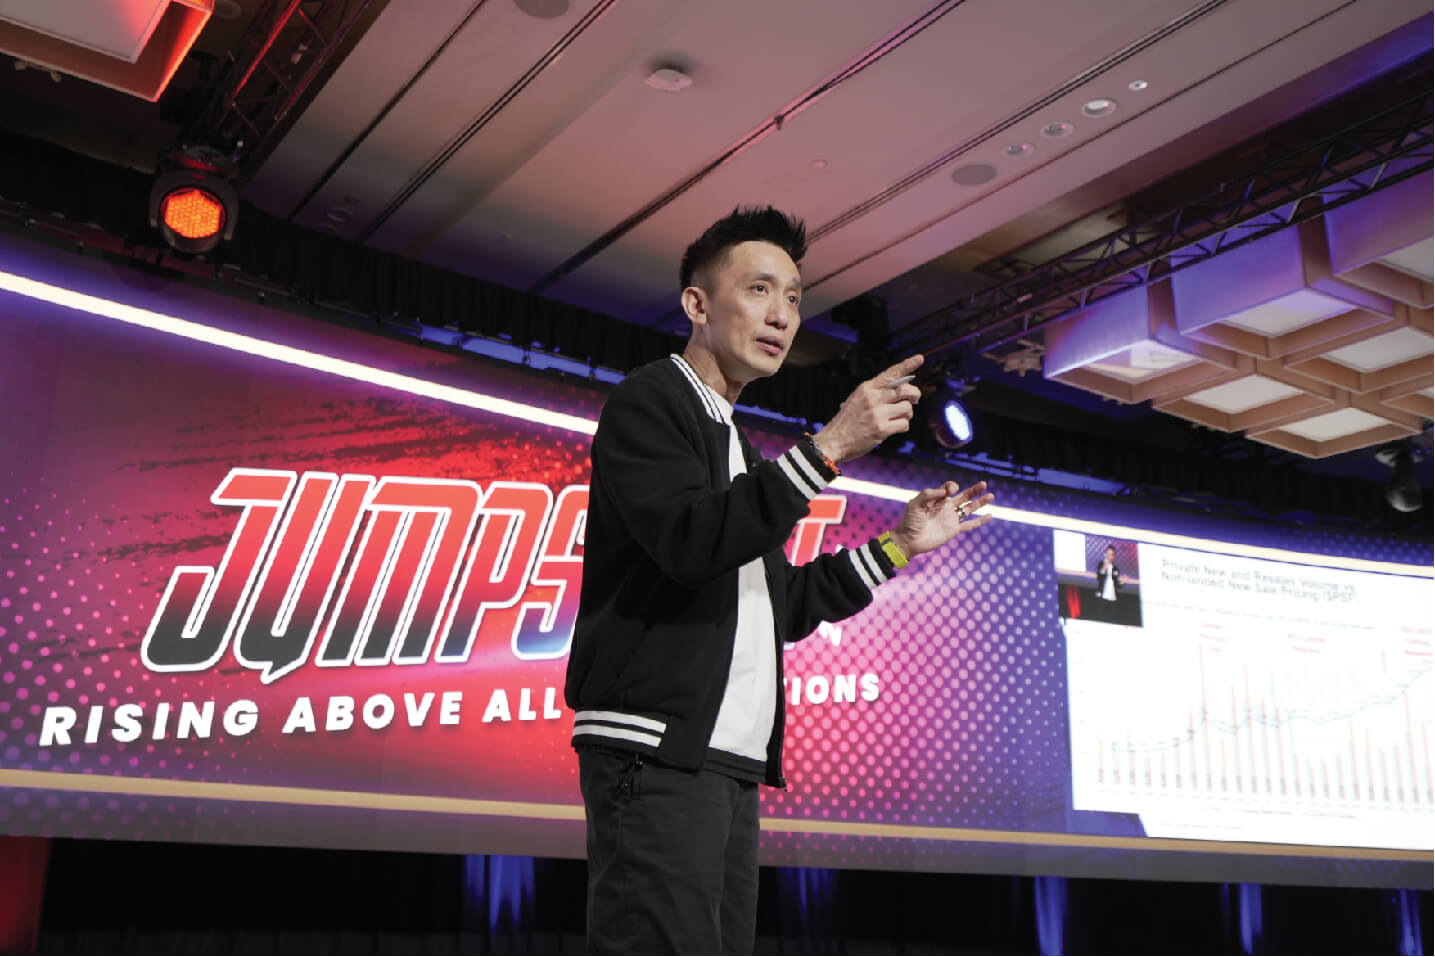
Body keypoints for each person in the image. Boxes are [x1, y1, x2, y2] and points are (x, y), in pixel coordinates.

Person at [563, 206, 995, 954]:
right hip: (655, 752)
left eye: (793, 297)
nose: (782, 314)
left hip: (724, 763)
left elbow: (777, 605)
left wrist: (896, 546)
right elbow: (691, 544)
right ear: (697, 305)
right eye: (759, 289)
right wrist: (828, 447)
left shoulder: (736, 443)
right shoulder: (651, 399)